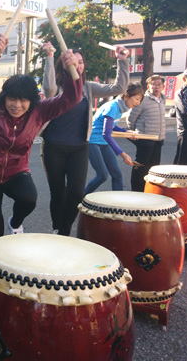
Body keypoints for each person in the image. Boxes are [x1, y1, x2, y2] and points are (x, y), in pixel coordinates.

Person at [0, 34, 82, 244]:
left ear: (32, 101)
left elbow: (71, 98)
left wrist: (70, 71)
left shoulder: (39, 112)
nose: (17, 105)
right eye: (12, 99)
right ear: (5, 98)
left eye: (23, 100)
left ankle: (15, 222)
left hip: (16, 173)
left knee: (29, 198)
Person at [40, 42, 130, 235]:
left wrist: (122, 61)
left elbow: (119, 88)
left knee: (76, 193)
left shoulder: (88, 88)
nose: (78, 65)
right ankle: (57, 229)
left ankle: (63, 230)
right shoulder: (56, 87)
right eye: (73, 61)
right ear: (63, 64)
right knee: (58, 193)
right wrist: (49, 56)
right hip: (53, 147)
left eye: (81, 62)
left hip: (79, 147)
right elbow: (47, 88)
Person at [85, 83, 144, 194]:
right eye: (137, 99)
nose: (138, 103)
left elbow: (110, 125)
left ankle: (118, 203)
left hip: (103, 142)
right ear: (126, 96)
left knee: (117, 175)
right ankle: (80, 198)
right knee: (102, 175)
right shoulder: (113, 107)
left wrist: (125, 131)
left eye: (140, 100)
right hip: (93, 142)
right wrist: (123, 154)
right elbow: (106, 134)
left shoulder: (119, 107)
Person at [127, 75, 166, 191]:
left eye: (159, 84)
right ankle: (136, 191)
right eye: (153, 84)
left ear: (163, 87)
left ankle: (149, 190)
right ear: (148, 86)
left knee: (153, 168)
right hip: (144, 140)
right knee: (140, 167)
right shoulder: (143, 100)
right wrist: (136, 134)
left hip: (158, 140)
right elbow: (131, 119)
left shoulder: (162, 99)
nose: (156, 87)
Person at [173, 68, 187, 165]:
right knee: (182, 162)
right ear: (184, 78)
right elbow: (185, 110)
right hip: (185, 132)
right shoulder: (181, 93)